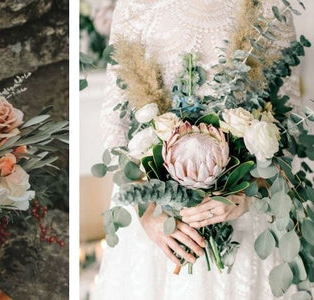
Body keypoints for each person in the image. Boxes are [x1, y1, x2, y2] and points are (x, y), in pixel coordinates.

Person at [95, 0, 300, 299]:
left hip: (242, 217)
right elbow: (114, 125)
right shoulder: (135, 6)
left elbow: (288, 126)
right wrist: (147, 213)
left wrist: (249, 196)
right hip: (160, 218)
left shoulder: (269, 7)